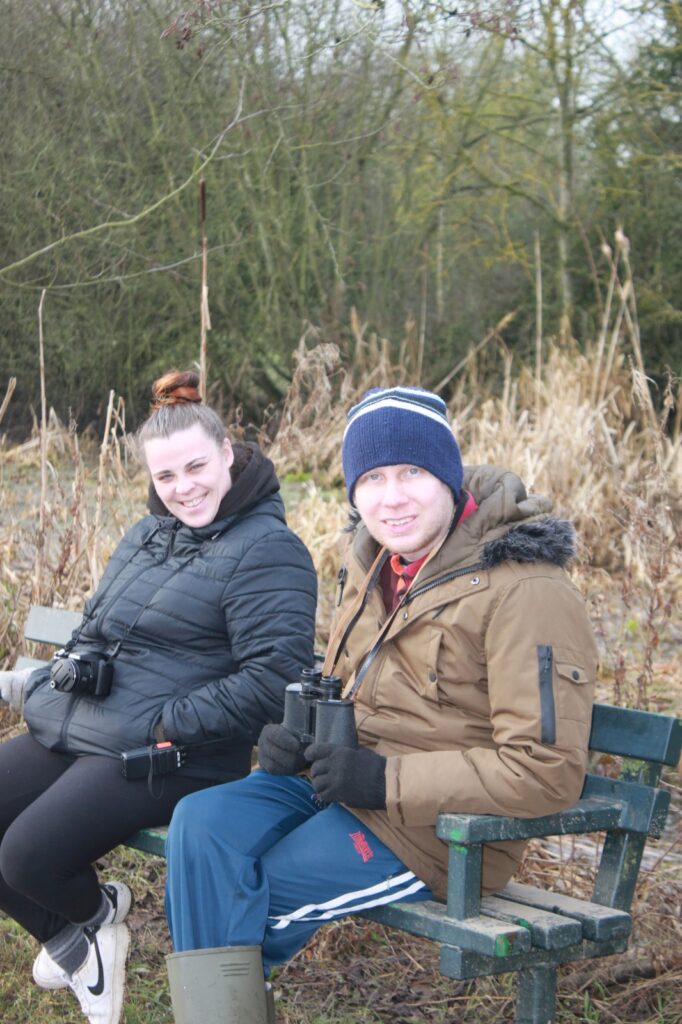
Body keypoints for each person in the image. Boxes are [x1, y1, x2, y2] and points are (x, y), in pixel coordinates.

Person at [163, 385, 598, 1024]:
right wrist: (290, 736)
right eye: (371, 479)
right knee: (198, 824)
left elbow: (545, 769)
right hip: (343, 784)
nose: (390, 498)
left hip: (437, 830)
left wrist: (384, 779)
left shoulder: (525, 589)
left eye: (412, 473)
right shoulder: (371, 563)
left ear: (448, 477)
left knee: (247, 894)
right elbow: (352, 684)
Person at [0, 369, 317, 1024]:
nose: (183, 489)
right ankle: (84, 935)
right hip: (94, 723)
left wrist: (164, 722)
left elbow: (270, 680)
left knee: (27, 855)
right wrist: (70, 669)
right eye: (166, 477)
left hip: (176, 752)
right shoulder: (148, 534)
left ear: (229, 453)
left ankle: (95, 921)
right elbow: (93, 626)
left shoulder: (270, 550)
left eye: (196, 467)